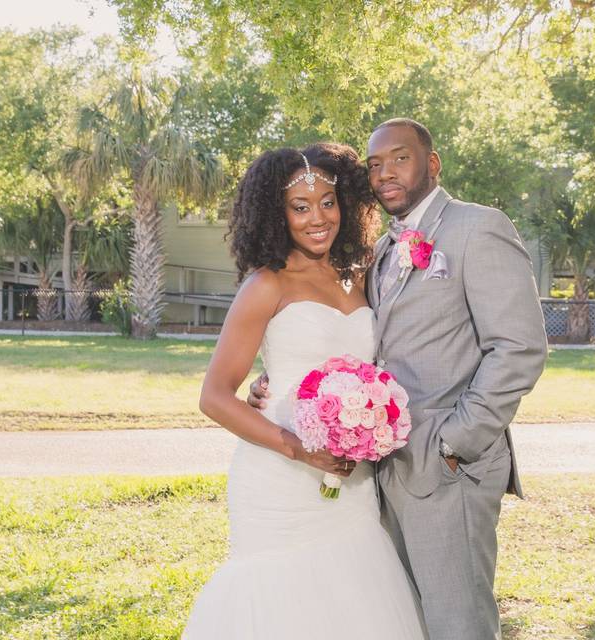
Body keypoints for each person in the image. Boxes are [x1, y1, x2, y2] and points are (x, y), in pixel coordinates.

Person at [250, 119, 548, 640]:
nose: (386, 172)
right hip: (384, 470)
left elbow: (519, 349)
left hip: (449, 466)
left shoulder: (478, 228)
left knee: (459, 623)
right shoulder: (384, 249)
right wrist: (279, 378)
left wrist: (456, 441)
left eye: (400, 158)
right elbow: (363, 344)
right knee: (409, 621)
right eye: (375, 164)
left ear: (432, 163)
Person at [183, 142, 427, 639]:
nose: (318, 218)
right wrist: (299, 447)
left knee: (354, 598)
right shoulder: (266, 285)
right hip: (279, 476)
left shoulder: (359, 274)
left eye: (328, 202)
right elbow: (214, 396)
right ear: (278, 214)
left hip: (352, 477)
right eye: (300, 207)